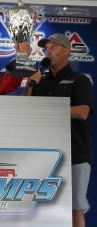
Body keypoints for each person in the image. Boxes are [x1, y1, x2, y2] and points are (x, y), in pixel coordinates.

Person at [22, 33, 93, 227]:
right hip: (44, 153)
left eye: (54, 47)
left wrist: (48, 111)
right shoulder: (40, 80)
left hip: (75, 154)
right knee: (40, 206)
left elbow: (82, 112)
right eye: (47, 48)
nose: (49, 51)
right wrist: (29, 87)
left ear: (67, 51)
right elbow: (23, 110)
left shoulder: (80, 80)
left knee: (75, 208)